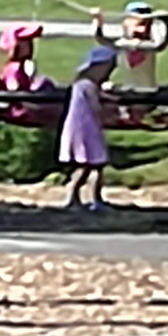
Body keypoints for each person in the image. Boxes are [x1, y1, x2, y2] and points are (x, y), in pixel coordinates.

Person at [60, 40, 117, 212]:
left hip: (79, 129)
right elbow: (95, 107)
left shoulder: (79, 85)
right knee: (96, 166)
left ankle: (74, 196)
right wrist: (110, 114)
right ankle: (94, 198)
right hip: (87, 130)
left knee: (85, 166)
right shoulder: (88, 86)